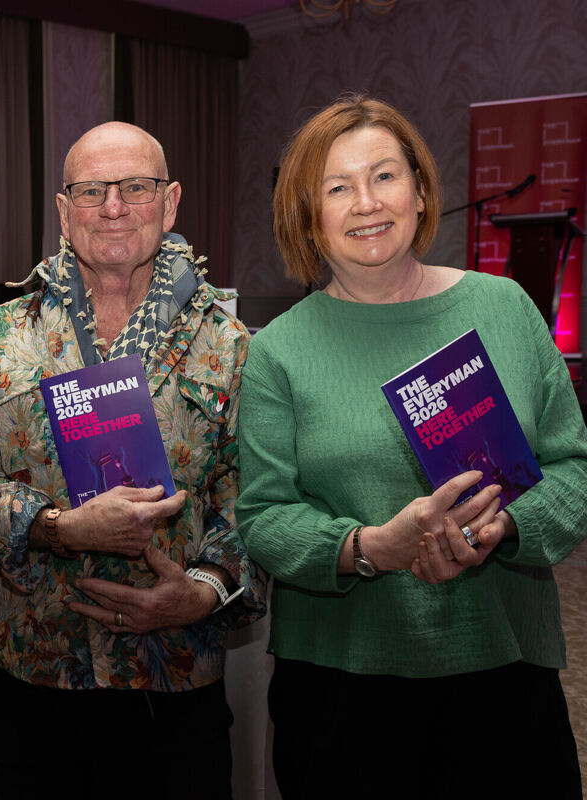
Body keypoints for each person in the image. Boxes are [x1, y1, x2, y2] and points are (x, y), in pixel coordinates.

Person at [236, 94, 587, 799]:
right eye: (338, 187)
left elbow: (572, 467)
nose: (367, 203)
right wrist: (371, 548)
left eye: (385, 176)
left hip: (503, 662)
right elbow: (265, 516)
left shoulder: (505, 309)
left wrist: (503, 526)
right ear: (308, 214)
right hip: (342, 683)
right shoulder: (278, 351)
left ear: (421, 192)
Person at [0, 121, 267, 799]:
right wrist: (57, 528)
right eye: (92, 191)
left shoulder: (231, 343)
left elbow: (256, 497)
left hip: (174, 676)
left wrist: (204, 590)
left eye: (136, 187)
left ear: (171, 202)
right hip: (33, 674)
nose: (114, 207)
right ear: (64, 211)